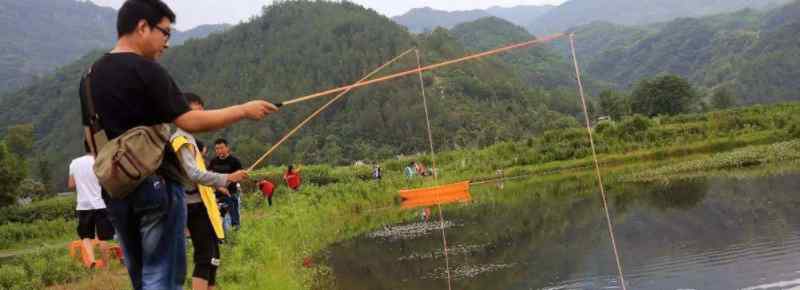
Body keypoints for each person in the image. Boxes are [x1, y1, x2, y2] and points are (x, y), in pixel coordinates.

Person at [78, 1, 278, 288]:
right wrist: (244, 110)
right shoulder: (147, 69)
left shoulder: (88, 77)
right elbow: (190, 121)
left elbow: (91, 139)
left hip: (116, 191)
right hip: (156, 187)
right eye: (165, 33)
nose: (167, 43)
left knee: (142, 278)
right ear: (142, 27)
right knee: (163, 279)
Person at [171, 93, 248, 290]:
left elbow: (198, 176)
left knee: (214, 257)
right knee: (205, 257)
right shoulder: (180, 141)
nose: (201, 117)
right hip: (193, 206)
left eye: (202, 112)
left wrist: (217, 184)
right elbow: (193, 174)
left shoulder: (189, 140)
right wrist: (227, 178)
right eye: (197, 112)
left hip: (202, 204)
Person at [68, 143, 114, 269]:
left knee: (86, 236)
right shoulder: (99, 161)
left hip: (83, 205)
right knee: (103, 237)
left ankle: (92, 261)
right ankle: (106, 267)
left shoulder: (74, 163)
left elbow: (71, 185)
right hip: (100, 204)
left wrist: (82, 184)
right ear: (95, 147)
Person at [208, 138, 243, 230]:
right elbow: (209, 178)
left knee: (233, 217)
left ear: (227, 148)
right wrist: (219, 187)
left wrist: (236, 178)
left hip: (231, 193)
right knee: (217, 218)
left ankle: (235, 230)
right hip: (217, 194)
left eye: (221, 148)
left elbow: (240, 176)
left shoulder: (235, 161)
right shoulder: (213, 162)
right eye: (217, 149)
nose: (219, 151)